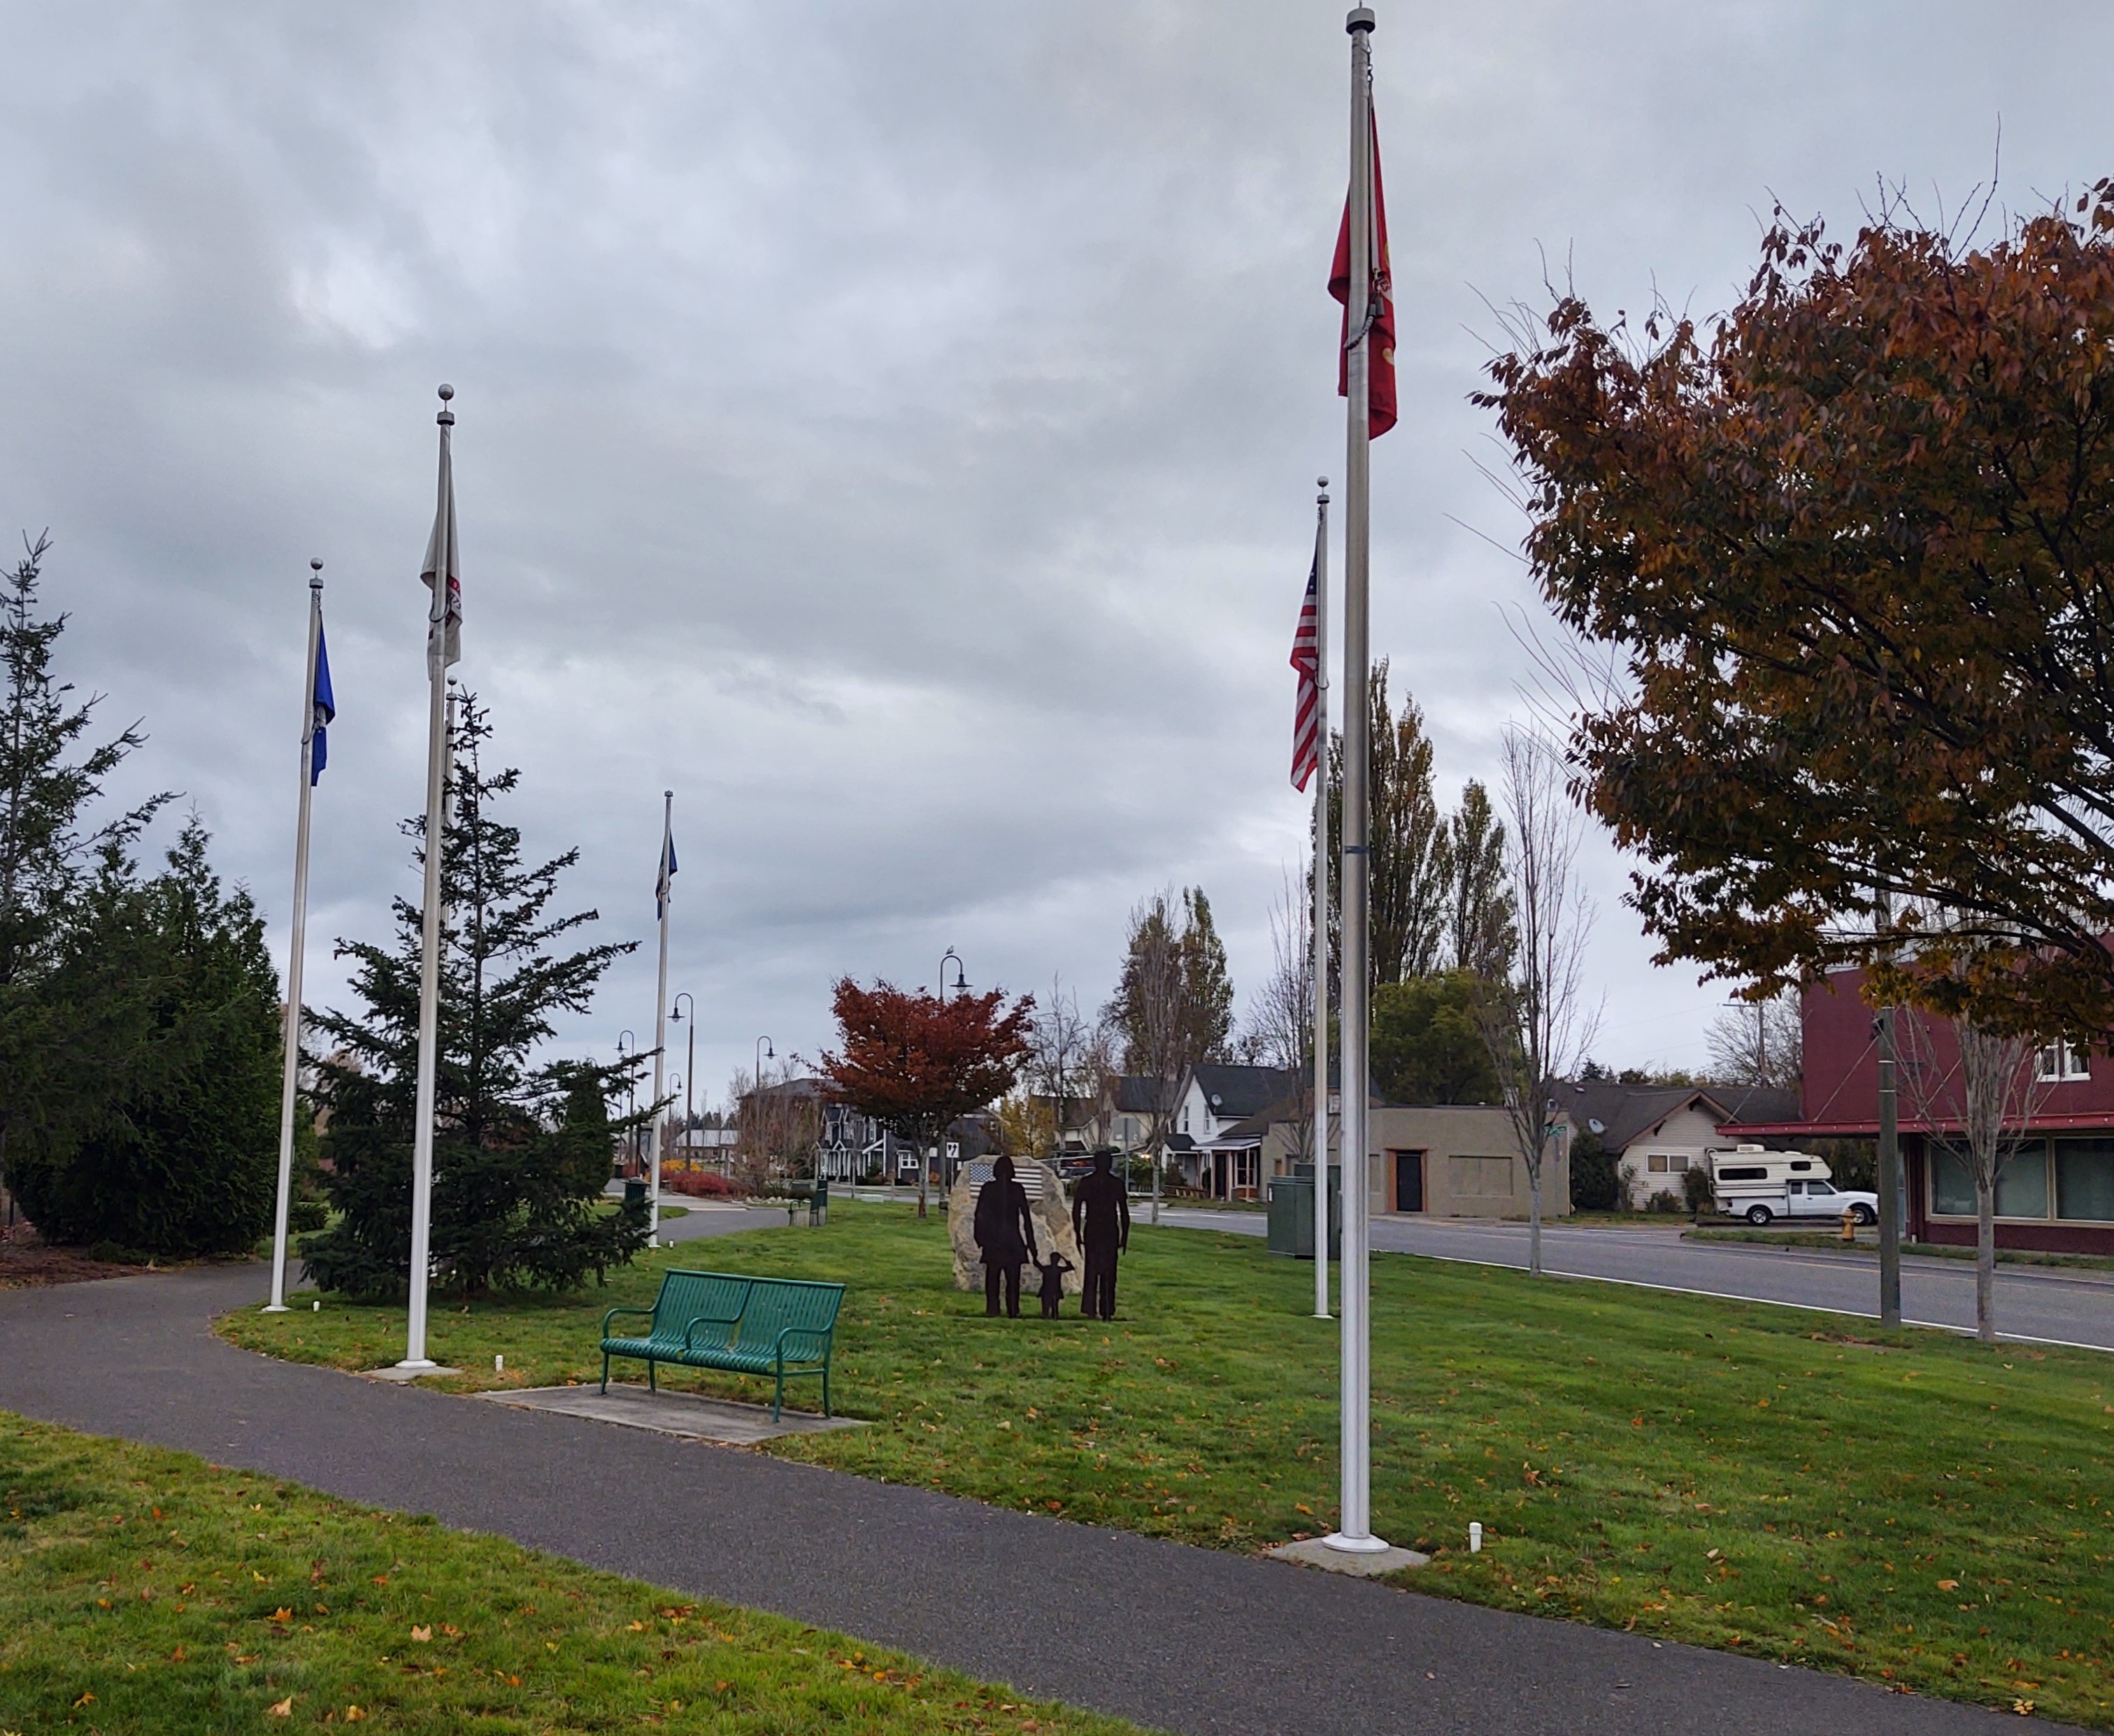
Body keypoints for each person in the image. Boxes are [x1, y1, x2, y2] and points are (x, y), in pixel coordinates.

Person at [973, 1154, 1038, 1318]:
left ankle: (994, 1308)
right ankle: (1012, 1309)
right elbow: (1026, 1219)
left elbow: (980, 1215)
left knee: (993, 1278)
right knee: (1012, 1278)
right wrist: (1031, 1244)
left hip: (995, 1240)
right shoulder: (1017, 1189)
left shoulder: (989, 1188)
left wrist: (980, 1238)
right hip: (1012, 1241)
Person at [1072, 1147, 1130, 1320]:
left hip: (1096, 1229)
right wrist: (1124, 1236)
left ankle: (1093, 1308)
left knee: (1093, 1270)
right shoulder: (1116, 1183)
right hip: (1107, 1229)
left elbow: (1076, 1210)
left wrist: (1077, 1232)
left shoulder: (1087, 1182)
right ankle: (1106, 1309)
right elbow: (1124, 1214)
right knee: (1108, 1272)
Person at [1034, 1249, 1073, 1319]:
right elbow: (1071, 1267)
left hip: (1046, 1290)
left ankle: (1047, 1318)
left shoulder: (1047, 1269)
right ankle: (1053, 1319)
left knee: (1046, 1309)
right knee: (1054, 1309)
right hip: (1054, 1290)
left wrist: (1034, 1256)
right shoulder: (1058, 1269)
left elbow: (1036, 1264)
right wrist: (1064, 1259)